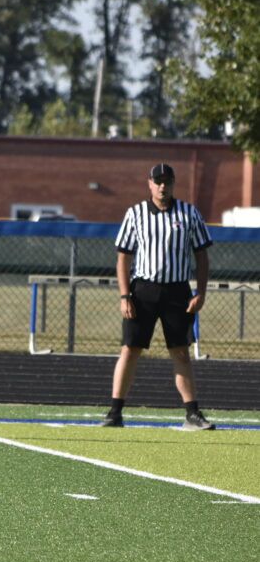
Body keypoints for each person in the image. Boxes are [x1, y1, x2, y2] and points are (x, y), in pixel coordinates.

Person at [101, 162, 215, 431]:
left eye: (167, 181)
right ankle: (115, 412)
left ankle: (192, 413)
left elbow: (201, 255)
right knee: (130, 348)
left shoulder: (189, 213)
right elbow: (123, 257)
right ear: (149, 183)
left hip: (177, 290)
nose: (163, 186)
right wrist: (124, 295)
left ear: (174, 184)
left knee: (181, 352)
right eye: (158, 181)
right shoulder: (136, 213)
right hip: (143, 290)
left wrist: (201, 291)